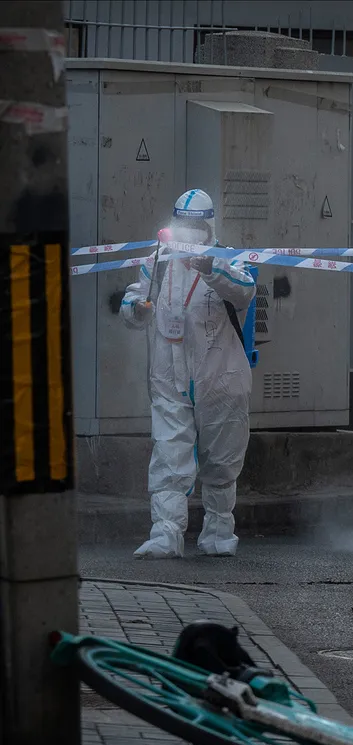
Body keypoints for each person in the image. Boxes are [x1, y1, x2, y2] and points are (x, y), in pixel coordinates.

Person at [119, 189, 256, 559]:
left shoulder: (228, 259)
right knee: (168, 456)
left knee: (221, 460)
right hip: (168, 378)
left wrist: (213, 270)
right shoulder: (158, 260)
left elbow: (245, 291)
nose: (189, 232)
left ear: (209, 226)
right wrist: (136, 309)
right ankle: (166, 533)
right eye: (183, 224)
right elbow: (133, 298)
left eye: (196, 226)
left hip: (220, 378)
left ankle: (218, 531)